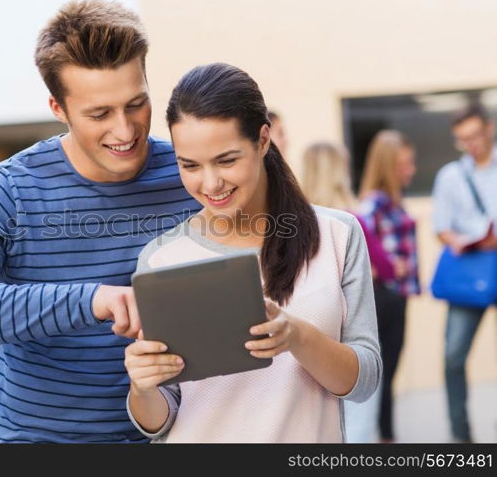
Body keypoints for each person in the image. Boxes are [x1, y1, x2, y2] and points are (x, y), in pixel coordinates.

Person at [0, 0, 200, 443]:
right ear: (58, 107)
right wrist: (90, 300)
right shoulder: (7, 190)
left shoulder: (192, 175)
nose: (125, 131)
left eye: (136, 104)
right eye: (99, 114)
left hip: (180, 436)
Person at [124, 63, 381, 442]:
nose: (210, 183)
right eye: (189, 165)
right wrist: (142, 388)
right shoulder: (161, 257)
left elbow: (363, 381)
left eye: (227, 160)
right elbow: (160, 419)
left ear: (263, 141)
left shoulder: (337, 235)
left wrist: (295, 336)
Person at [301, 141, 393, 443]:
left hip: (308, 336)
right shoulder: (351, 222)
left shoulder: (290, 223)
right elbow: (386, 268)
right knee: (358, 419)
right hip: (349, 340)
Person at [432, 103, 497, 443]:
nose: (470, 144)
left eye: (474, 136)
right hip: (470, 272)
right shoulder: (451, 176)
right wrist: (458, 241)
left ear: (489, 128)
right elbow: (442, 227)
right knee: (453, 356)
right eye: (462, 139)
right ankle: (461, 436)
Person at [357, 129, 420, 443]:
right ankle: (385, 438)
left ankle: (386, 436)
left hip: (396, 296)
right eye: (405, 164)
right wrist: (388, 268)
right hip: (384, 298)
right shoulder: (373, 206)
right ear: (388, 165)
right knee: (383, 374)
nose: (411, 170)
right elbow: (358, 255)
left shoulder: (392, 202)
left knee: (389, 373)